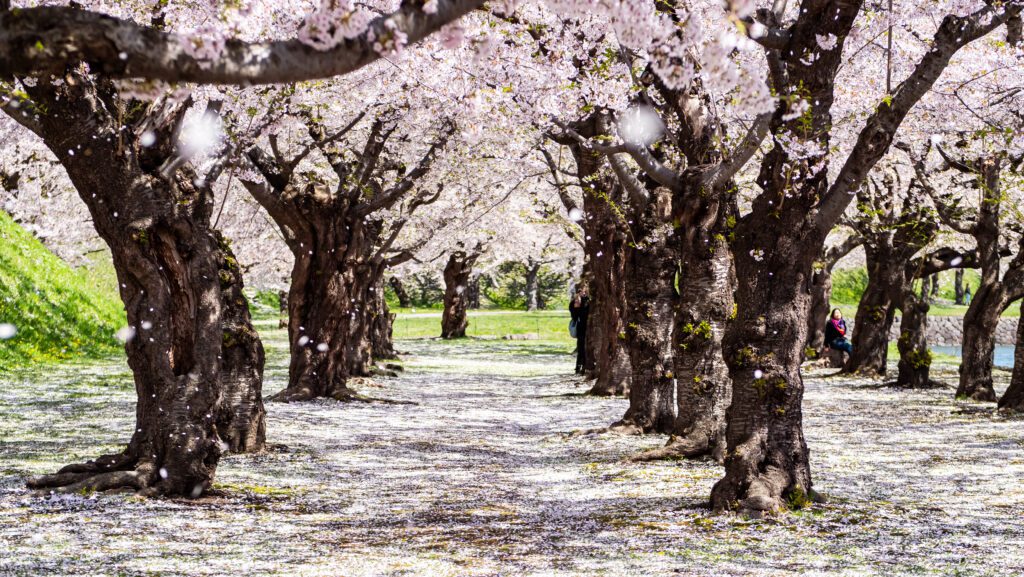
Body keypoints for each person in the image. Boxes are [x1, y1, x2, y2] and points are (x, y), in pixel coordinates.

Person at [569, 285, 590, 375]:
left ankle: (584, 367)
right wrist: (577, 305)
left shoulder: (588, 301)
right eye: (581, 292)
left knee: (586, 348)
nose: (583, 294)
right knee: (581, 348)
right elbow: (574, 316)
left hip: (588, 328)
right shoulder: (574, 303)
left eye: (585, 292)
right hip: (581, 328)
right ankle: (579, 368)